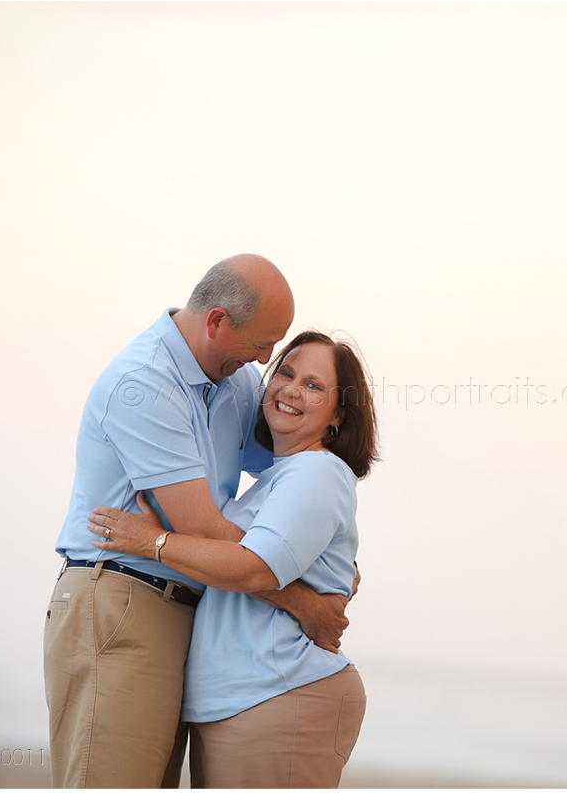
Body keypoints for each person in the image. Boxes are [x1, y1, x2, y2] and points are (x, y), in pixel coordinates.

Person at [44, 256, 351, 789]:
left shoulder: (231, 383)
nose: (265, 361)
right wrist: (309, 601)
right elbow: (206, 530)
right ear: (217, 322)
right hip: (122, 599)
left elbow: (297, 466)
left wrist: (328, 558)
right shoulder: (144, 383)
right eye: (262, 345)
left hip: (185, 609)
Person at [86, 329, 379, 788]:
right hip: (245, 698)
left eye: (315, 385)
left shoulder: (317, 471)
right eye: (285, 371)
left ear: (339, 413)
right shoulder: (283, 477)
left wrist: (153, 542)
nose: (291, 389)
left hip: (279, 691)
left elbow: (252, 567)